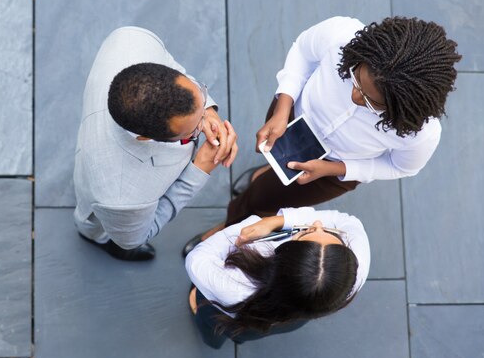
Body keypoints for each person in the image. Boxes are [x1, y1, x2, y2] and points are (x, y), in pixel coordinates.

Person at [183, 16, 461, 254]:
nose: (354, 96)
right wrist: (283, 106)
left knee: (262, 202)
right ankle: (262, 175)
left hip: (330, 170)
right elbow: (303, 51)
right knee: (271, 169)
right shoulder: (342, 36)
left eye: (372, 102)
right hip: (291, 116)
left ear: (403, 107)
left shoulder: (421, 132)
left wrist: (334, 168)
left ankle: (230, 227)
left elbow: (400, 166)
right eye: (355, 80)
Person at [74, 26, 238, 261]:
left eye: (200, 96)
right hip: (99, 192)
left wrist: (207, 111)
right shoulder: (121, 198)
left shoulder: (132, 39)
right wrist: (199, 170)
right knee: (96, 227)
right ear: (145, 139)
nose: (205, 125)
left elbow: (172, 67)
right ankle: (94, 238)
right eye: (193, 130)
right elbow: (136, 236)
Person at [185, 207, 370, 348]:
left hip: (232, 313)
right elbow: (346, 221)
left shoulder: (235, 287)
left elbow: (197, 259)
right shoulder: (355, 270)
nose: (319, 225)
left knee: (214, 323)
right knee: (249, 332)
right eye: (332, 234)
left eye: (305, 233)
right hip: (296, 315)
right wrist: (276, 221)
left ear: (280, 262)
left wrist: (251, 225)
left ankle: (212, 342)